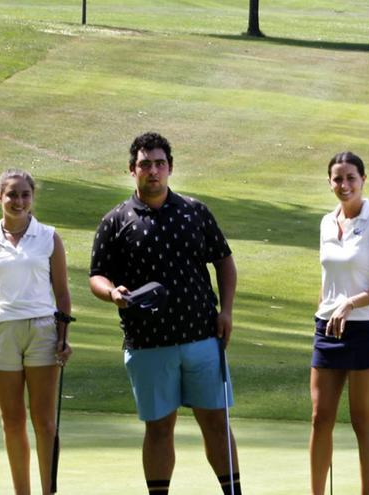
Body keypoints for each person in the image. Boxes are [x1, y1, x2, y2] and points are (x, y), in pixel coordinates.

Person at [89, 132, 241, 495]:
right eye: (145, 164)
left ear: (170, 168)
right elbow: (96, 274)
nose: (153, 171)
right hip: (147, 344)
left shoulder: (194, 211)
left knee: (217, 424)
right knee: (158, 428)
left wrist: (227, 311)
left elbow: (224, 261)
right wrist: (112, 293)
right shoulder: (116, 221)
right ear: (132, 170)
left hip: (202, 337)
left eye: (159, 164)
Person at [0, 168, 73, 495]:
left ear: (32, 197)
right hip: (2, 331)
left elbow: (63, 293)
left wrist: (63, 338)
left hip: (42, 330)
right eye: (12, 194)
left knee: (45, 423)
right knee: (12, 422)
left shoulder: (48, 236)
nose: (19, 201)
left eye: (25, 194)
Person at [309, 151, 369, 495]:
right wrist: (327, 307)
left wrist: (350, 302)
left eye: (350, 178)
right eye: (337, 179)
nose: (344, 185)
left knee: (362, 420)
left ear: (363, 180)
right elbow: (327, 277)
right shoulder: (325, 222)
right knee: (320, 419)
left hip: (362, 329)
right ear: (330, 182)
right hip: (327, 329)